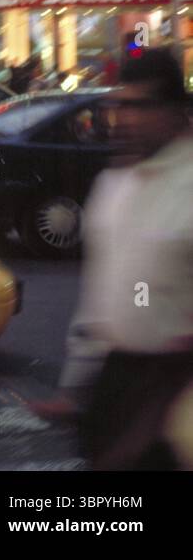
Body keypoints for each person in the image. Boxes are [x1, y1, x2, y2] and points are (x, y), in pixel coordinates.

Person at [64, 47, 193, 469]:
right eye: (120, 105)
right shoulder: (113, 183)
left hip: (176, 388)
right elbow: (100, 293)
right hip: (116, 381)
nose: (127, 119)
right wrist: (74, 386)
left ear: (175, 112)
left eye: (141, 106)